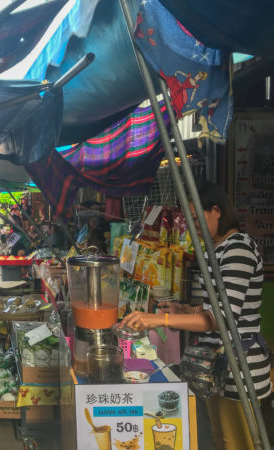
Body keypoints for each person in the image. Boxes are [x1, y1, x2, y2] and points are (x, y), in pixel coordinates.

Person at [119, 181, 271, 450]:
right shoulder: (217, 249)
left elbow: (223, 319)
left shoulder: (237, 249)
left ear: (216, 211)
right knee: (223, 441)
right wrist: (187, 311)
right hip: (219, 370)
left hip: (239, 370)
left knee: (239, 443)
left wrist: (158, 320)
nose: (193, 225)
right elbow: (218, 307)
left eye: (196, 217)